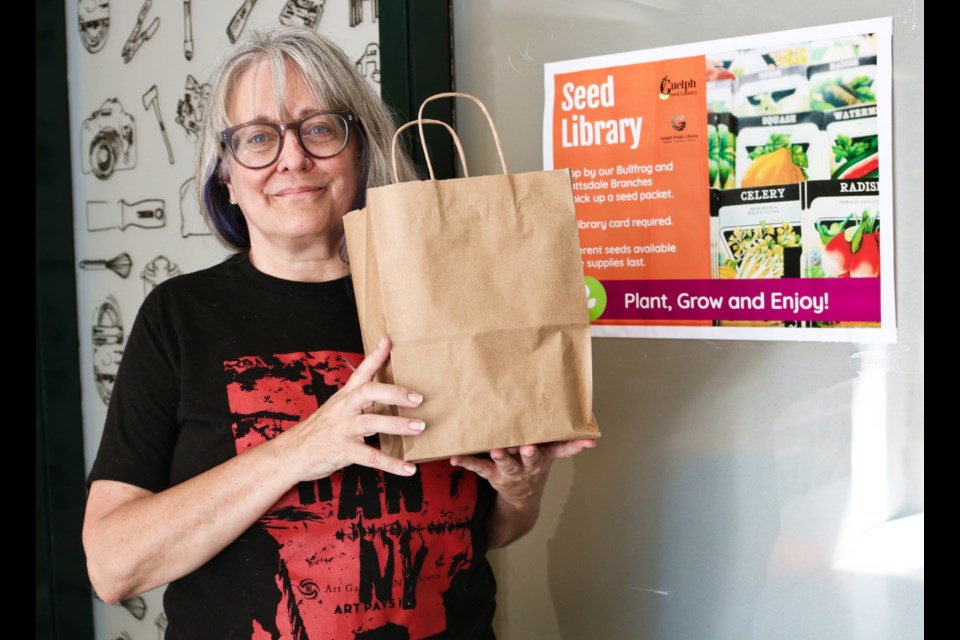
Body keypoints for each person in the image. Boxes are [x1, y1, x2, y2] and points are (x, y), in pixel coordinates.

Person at [82, 25, 595, 639]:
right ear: (225, 173)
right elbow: (113, 567)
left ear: (361, 149)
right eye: (257, 138)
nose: (292, 158)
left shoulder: (447, 290)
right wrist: (299, 449)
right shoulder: (178, 316)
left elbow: (482, 531)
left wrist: (521, 488)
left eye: (319, 128)